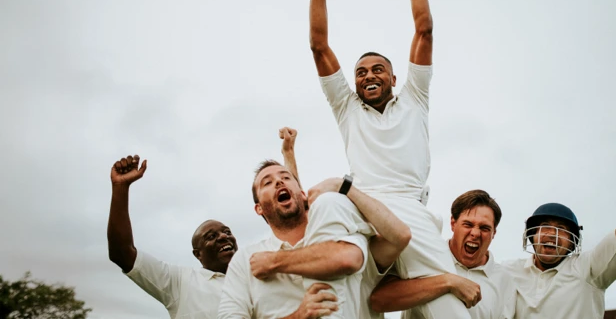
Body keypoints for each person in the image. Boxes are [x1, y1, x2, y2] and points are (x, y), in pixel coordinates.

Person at [309, 0, 470, 318]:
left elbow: (424, 30)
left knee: (449, 309)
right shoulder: (346, 107)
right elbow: (319, 46)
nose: (368, 75)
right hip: (361, 206)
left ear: (395, 78)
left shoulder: (414, 97)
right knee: (328, 207)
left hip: (409, 209)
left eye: (377, 69)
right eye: (361, 72)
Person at [107, 128, 299, 319]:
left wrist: (288, 156)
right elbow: (122, 252)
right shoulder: (179, 283)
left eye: (227, 232)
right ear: (197, 254)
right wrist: (120, 188)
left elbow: (296, 218)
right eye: (211, 236)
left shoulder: (260, 270)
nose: (223, 236)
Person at [502, 134, 616, 318]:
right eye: (545, 226)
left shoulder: (589, 269)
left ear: (573, 243)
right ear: (531, 235)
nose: (552, 235)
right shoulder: (507, 271)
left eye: (562, 230)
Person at [217, 161, 411, 318]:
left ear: (302, 194)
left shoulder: (345, 236)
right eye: (267, 182)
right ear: (258, 208)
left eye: (286, 177)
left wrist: (343, 187)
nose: (279, 182)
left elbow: (400, 236)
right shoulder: (245, 260)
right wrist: (298, 316)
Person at [370, 190, 517, 319]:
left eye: (484, 228)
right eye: (468, 224)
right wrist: (448, 282)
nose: (475, 233)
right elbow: (378, 300)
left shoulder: (504, 280)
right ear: (453, 223)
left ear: (494, 233)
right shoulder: (425, 253)